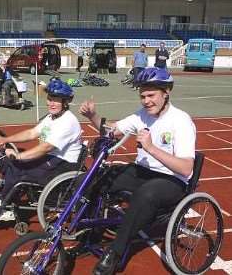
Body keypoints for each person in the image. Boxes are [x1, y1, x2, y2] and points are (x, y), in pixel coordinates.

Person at [79, 67, 196, 275]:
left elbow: (186, 168)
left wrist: (151, 148)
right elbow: (112, 131)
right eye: (143, 96)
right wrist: (93, 116)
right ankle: (90, 231)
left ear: (166, 92)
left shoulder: (181, 121)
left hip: (172, 180)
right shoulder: (142, 115)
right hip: (143, 173)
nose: (146, 101)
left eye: (151, 95)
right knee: (102, 176)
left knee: (146, 194)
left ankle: (114, 253)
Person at [0, 78, 82, 221]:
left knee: (18, 167)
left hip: (62, 165)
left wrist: (18, 156)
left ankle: (7, 207)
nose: (51, 103)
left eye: (56, 100)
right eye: (50, 98)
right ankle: (4, 198)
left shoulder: (68, 122)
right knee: (10, 164)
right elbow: (32, 133)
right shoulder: (51, 117)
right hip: (52, 159)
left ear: (65, 102)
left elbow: (45, 148)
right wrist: (5, 139)